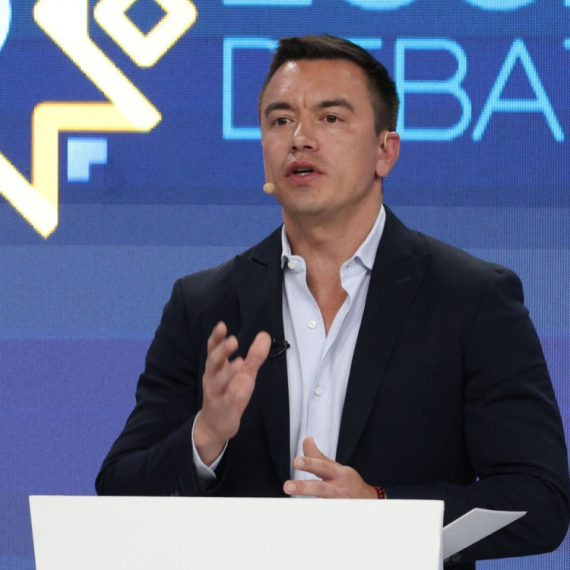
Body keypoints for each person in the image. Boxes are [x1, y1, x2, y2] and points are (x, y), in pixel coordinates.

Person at [96, 35, 570, 567]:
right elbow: (118, 490)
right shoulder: (203, 304)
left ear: (385, 151)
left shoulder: (472, 299)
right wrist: (205, 436)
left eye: (330, 118)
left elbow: (539, 500)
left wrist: (381, 509)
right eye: (281, 120)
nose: (300, 138)